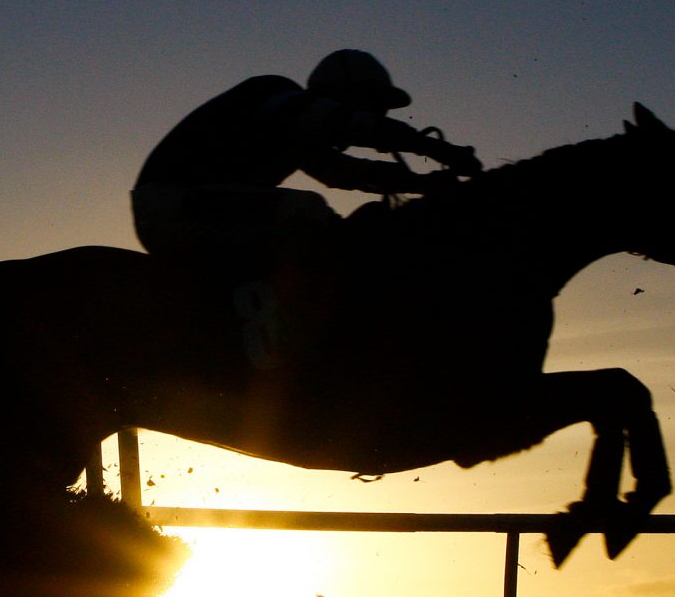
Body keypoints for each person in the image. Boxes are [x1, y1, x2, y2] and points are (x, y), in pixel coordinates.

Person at [131, 50, 481, 367]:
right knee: (306, 209)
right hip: (170, 205)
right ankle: (293, 340)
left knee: (307, 227)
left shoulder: (296, 129)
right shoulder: (275, 93)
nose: (379, 115)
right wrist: (437, 150)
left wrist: (423, 184)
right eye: (374, 106)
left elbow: (343, 171)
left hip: (187, 209)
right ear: (348, 95)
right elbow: (346, 125)